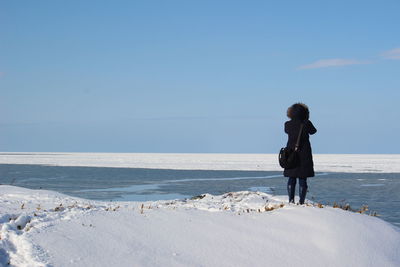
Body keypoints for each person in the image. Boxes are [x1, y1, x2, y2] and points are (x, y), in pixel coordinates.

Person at [284, 103, 317, 204]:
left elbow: (286, 131)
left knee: (291, 177)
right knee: (303, 178)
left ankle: (291, 200)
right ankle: (301, 202)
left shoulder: (287, 124)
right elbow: (313, 131)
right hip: (304, 154)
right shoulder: (306, 123)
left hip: (291, 154)